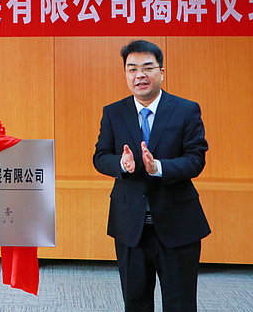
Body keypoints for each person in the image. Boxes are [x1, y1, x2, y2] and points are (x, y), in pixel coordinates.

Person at [93, 39, 210, 312]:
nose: (140, 75)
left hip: (177, 224)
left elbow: (196, 159)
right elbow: (100, 156)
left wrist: (159, 168)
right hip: (130, 227)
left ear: (162, 72)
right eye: (132, 69)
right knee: (135, 303)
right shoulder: (113, 112)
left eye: (147, 68)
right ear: (126, 74)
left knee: (180, 304)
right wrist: (122, 164)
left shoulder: (185, 110)